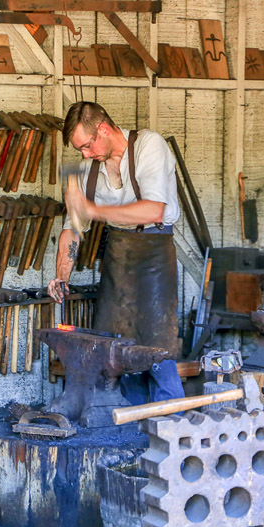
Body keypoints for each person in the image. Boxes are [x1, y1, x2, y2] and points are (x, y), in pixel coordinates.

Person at [47, 101, 184, 405]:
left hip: (155, 255)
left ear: (104, 129)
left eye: (86, 145)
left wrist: (93, 210)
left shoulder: (150, 145)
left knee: (158, 350)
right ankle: (131, 426)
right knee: (117, 355)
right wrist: (61, 275)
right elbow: (72, 228)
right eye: (79, 149)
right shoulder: (87, 171)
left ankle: (172, 428)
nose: (84, 154)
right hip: (118, 256)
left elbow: (154, 209)